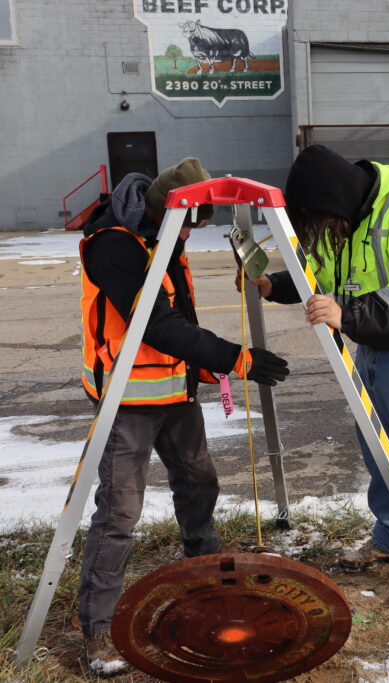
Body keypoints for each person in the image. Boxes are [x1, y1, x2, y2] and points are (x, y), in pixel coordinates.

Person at [77, 158, 289, 676]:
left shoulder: (165, 235)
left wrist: (202, 368)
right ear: (164, 208)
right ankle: (99, 631)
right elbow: (155, 323)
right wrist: (232, 359)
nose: (191, 234)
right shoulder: (113, 245)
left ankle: (203, 576)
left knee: (198, 481)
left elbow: (182, 312)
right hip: (128, 401)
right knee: (119, 514)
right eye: (189, 223)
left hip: (176, 394)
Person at [243, 144, 389, 610]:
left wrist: (346, 314)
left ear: (333, 200)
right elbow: (319, 276)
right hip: (371, 345)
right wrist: (274, 285)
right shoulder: (346, 219)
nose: (321, 232)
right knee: (378, 452)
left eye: (318, 220)